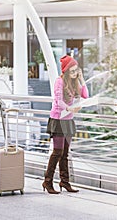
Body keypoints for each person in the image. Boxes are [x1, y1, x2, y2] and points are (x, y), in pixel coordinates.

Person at [42, 55, 89, 194]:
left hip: (68, 120)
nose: (75, 73)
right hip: (58, 120)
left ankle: (64, 181)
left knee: (65, 153)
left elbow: (86, 95)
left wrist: (81, 79)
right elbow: (58, 101)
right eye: (73, 71)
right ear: (67, 71)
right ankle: (47, 181)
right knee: (57, 152)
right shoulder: (59, 81)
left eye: (77, 70)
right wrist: (69, 108)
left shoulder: (74, 82)